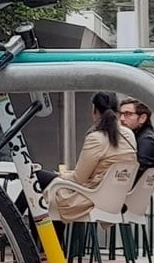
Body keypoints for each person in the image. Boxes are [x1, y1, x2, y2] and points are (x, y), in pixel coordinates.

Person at [41, 92, 137, 223]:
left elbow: (79, 178)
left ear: (94, 110)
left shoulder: (96, 138)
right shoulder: (129, 135)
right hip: (115, 199)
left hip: (91, 198)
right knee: (39, 184)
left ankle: (20, 235)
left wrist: (60, 175)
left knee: (35, 178)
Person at [120, 99, 154, 190]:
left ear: (142, 118)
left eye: (128, 114)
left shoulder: (147, 141)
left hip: (129, 198)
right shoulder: (141, 137)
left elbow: (135, 173)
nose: (122, 119)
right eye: (121, 114)